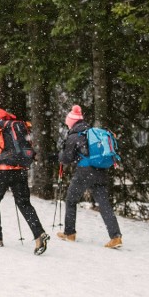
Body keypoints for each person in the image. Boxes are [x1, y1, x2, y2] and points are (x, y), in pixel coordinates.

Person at [0, 102, 50, 255]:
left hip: (3, 170)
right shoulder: (17, 123)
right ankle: (39, 234)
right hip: (21, 169)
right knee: (24, 203)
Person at [57, 104, 123, 248]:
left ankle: (69, 233)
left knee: (71, 200)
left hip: (84, 172)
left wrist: (60, 155)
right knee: (104, 203)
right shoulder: (90, 132)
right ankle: (116, 236)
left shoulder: (74, 135)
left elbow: (67, 158)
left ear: (71, 123)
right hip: (100, 170)